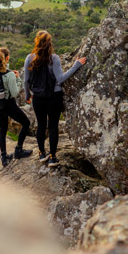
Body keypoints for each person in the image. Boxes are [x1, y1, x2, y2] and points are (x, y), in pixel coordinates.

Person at [24, 30, 86, 167]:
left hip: (38, 98)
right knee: (53, 126)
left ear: (37, 42)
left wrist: (28, 96)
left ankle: (41, 153)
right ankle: (52, 157)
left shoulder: (29, 58)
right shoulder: (54, 58)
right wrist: (77, 65)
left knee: (41, 125)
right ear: (50, 43)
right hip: (54, 97)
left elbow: (26, 81)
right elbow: (61, 78)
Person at [0, 48, 33, 166]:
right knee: (26, 123)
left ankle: (4, 156)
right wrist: (18, 79)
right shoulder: (9, 75)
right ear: (6, 58)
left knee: (3, 130)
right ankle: (18, 150)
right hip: (9, 104)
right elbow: (15, 93)